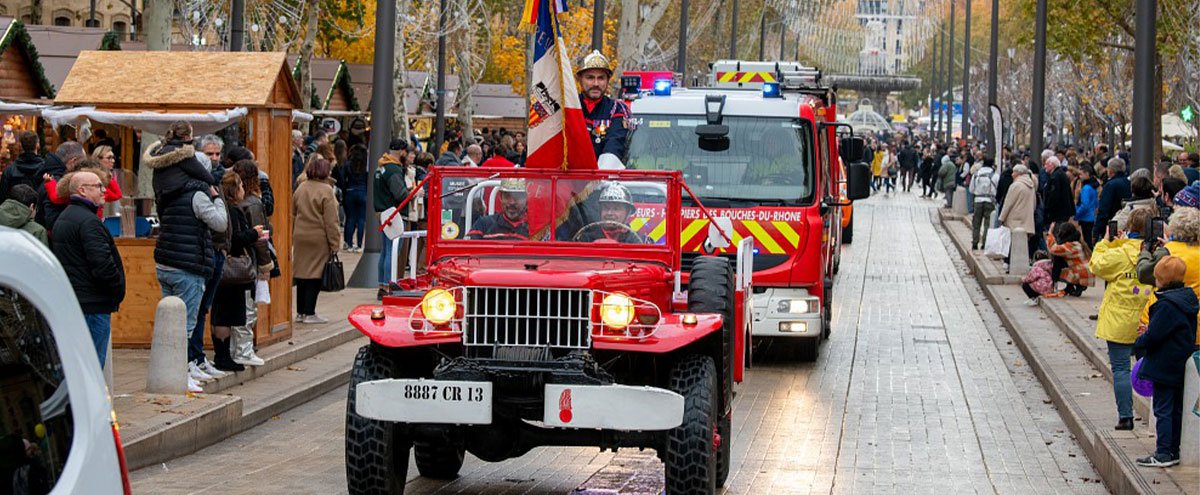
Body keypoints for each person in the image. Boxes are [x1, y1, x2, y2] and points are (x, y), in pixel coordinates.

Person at [146, 121, 227, 392]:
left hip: (165, 261)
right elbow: (220, 224)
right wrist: (216, 197)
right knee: (186, 323)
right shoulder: (198, 194)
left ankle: (169, 372)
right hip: (188, 264)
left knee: (169, 319)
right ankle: (180, 374)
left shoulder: (166, 192)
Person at [1088, 208, 1154, 431]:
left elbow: (1096, 264)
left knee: (1121, 369)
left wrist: (1106, 241)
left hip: (1119, 319)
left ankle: (1125, 417)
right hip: (1148, 319)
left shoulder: (1121, 253)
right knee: (1151, 366)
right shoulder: (1158, 252)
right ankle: (1156, 417)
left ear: (1129, 228)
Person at [51, 171, 125, 368]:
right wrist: (117, 289)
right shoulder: (88, 222)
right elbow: (102, 265)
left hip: (79, 300)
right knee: (90, 368)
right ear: (82, 191)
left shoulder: (67, 217)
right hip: (92, 303)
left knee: (77, 366)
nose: (104, 191)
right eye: (98, 186)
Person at [1133, 256, 1198, 468]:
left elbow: (1155, 336)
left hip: (1163, 365)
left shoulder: (1166, 305)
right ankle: (1174, 449)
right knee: (1176, 409)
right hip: (1178, 362)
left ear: (1161, 280)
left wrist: (1139, 342)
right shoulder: (1187, 299)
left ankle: (1163, 453)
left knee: (1163, 409)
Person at [207, 172, 263, 372]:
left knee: (220, 312)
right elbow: (236, 239)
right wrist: (254, 233)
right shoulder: (234, 210)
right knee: (225, 314)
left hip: (223, 269)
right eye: (240, 186)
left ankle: (223, 354)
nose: (243, 191)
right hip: (232, 273)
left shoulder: (222, 208)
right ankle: (223, 356)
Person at [230, 160, 272, 367]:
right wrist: (266, 265)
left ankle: (237, 348)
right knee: (248, 307)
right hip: (248, 261)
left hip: (236, 259)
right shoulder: (253, 203)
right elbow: (260, 237)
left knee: (238, 306)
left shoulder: (233, 202)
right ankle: (243, 350)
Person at [293, 157, 341, 324]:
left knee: (301, 274)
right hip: (318, 237)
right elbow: (331, 221)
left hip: (300, 236)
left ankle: (299, 312)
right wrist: (335, 243)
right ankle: (310, 312)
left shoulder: (301, 188)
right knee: (315, 274)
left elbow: (293, 211)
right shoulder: (326, 190)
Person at [373, 139, 410, 300]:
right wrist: (413, 193)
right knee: (392, 251)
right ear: (401, 151)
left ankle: (382, 285)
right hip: (394, 213)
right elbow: (400, 194)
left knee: (385, 251)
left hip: (382, 212)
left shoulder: (381, 166)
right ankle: (388, 285)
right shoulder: (394, 169)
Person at [576, 50, 629, 161]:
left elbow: (614, 145)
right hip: (566, 176)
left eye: (601, 78)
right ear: (580, 79)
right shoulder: (568, 108)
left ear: (607, 80)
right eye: (590, 78)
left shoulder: (616, 110)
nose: (596, 84)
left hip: (602, 175)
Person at [37, 141, 86, 230]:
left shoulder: (48, 174)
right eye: (82, 163)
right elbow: (53, 221)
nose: (83, 168)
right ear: (73, 161)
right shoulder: (58, 182)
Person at [574, 183, 646, 243]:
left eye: (616, 209)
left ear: (627, 213)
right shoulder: (586, 238)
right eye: (606, 208)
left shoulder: (637, 241)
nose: (609, 213)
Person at [1000, 164, 1038, 263]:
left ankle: (1009, 262)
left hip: (1014, 218)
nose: (1012, 174)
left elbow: (1008, 203)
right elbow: (1034, 203)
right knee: (1023, 243)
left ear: (1018, 173)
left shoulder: (1015, 185)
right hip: (1026, 218)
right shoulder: (1031, 185)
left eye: (1014, 172)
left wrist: (1002, 218)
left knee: (1012, 242)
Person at [1044, 222, 1091, 297]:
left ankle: (1079, 285)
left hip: (1082, 274)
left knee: (1056, 265)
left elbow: (1052, 249)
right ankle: (1070, 287)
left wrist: (1050, 232)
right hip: (1085, 272)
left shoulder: (1071, 245)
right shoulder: (1077, 242)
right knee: (1061, 261)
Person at [338, 144, 369, 252]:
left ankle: (349, 243)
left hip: (350, 192)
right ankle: (360, 244)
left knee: (350, 218)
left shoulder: (347, 165)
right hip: (363, 192)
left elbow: (342, 179)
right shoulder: (366, 166)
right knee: (361, 219)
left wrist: (345, 189)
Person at [1095, 157, 1131, 241]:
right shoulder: (1129, 183)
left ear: (1110, 170)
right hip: (1125, 225)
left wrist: (1097, 230)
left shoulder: (1110, 185)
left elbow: (1104, 210)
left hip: (1111, 226)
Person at [0, 131, 43, 200]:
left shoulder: (9, 170)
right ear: (37, 145)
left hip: (14, 209)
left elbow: (3, 198)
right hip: (36, 209)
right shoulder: (45, 169)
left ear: (21, 145)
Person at [969, 158, 998, 250]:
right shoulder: (995, 175)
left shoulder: (976, 174)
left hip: (978, 200)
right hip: (990, 200)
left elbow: (971, 189)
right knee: (987, 223)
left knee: (976, 223)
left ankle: (975, 242)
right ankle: (984, 243)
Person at [1042, 156, 1075, 225]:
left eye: (1046, 164)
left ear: (1052, 165)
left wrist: (1047, 208)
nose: (1045, 167)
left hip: (1058, 212)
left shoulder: (1055, 177)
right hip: (1063, 211)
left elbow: (1054, 195)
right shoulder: (1061, 174)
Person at [1074, 163, 1099, 247]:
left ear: (1087, 174)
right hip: (1092, 217)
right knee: (1090, 241)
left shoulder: (1086, 188)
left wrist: (1076, 214)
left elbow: (1085, 205)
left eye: (1081, 174)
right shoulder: (1093, 187)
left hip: (1085, 218)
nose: (1079, 177)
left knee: (1087, 242)